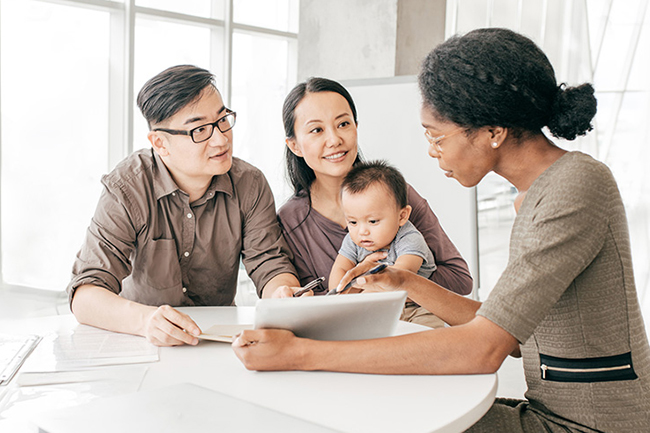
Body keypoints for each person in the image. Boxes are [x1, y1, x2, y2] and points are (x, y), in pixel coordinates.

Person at [234, 28, 650, 432]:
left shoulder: (574, 186)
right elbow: (503, 325)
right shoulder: (537, 193)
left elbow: (483, 347)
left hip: (591, 423)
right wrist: (401, 279)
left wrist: (302, 353)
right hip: (548, 409)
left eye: (436, 136)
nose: (431, 151)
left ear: (492, 131)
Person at [67, 65, 300, 347]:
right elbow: (85, 295)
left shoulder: (249, 184)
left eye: (222, 119)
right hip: (140, 340)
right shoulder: (128, 186)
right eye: (200, 129)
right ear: (160, 143)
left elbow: (270, 264)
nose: (221, 138)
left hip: (217, 342)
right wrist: (145, 321)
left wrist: (283, 293)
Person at [277, 76, 473, 326]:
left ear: (356, 127)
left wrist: (386, 283)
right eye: (317, 130)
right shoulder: (291, 219)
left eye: (343, 124)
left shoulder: (396, 194)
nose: (335, 139)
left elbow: (459, 280)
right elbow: (316, 302)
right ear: (294, 145)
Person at [330, 160, 438, 325]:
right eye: (352, 222)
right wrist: (344, 286)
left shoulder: (410, 239)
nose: (362, 231)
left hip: (417, 308)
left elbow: (398, 279)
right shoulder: (354, 241)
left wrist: (358, 281)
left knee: (428, 340)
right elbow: (339, 280)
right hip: (377, 306)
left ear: (402, 216)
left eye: (372, 221)